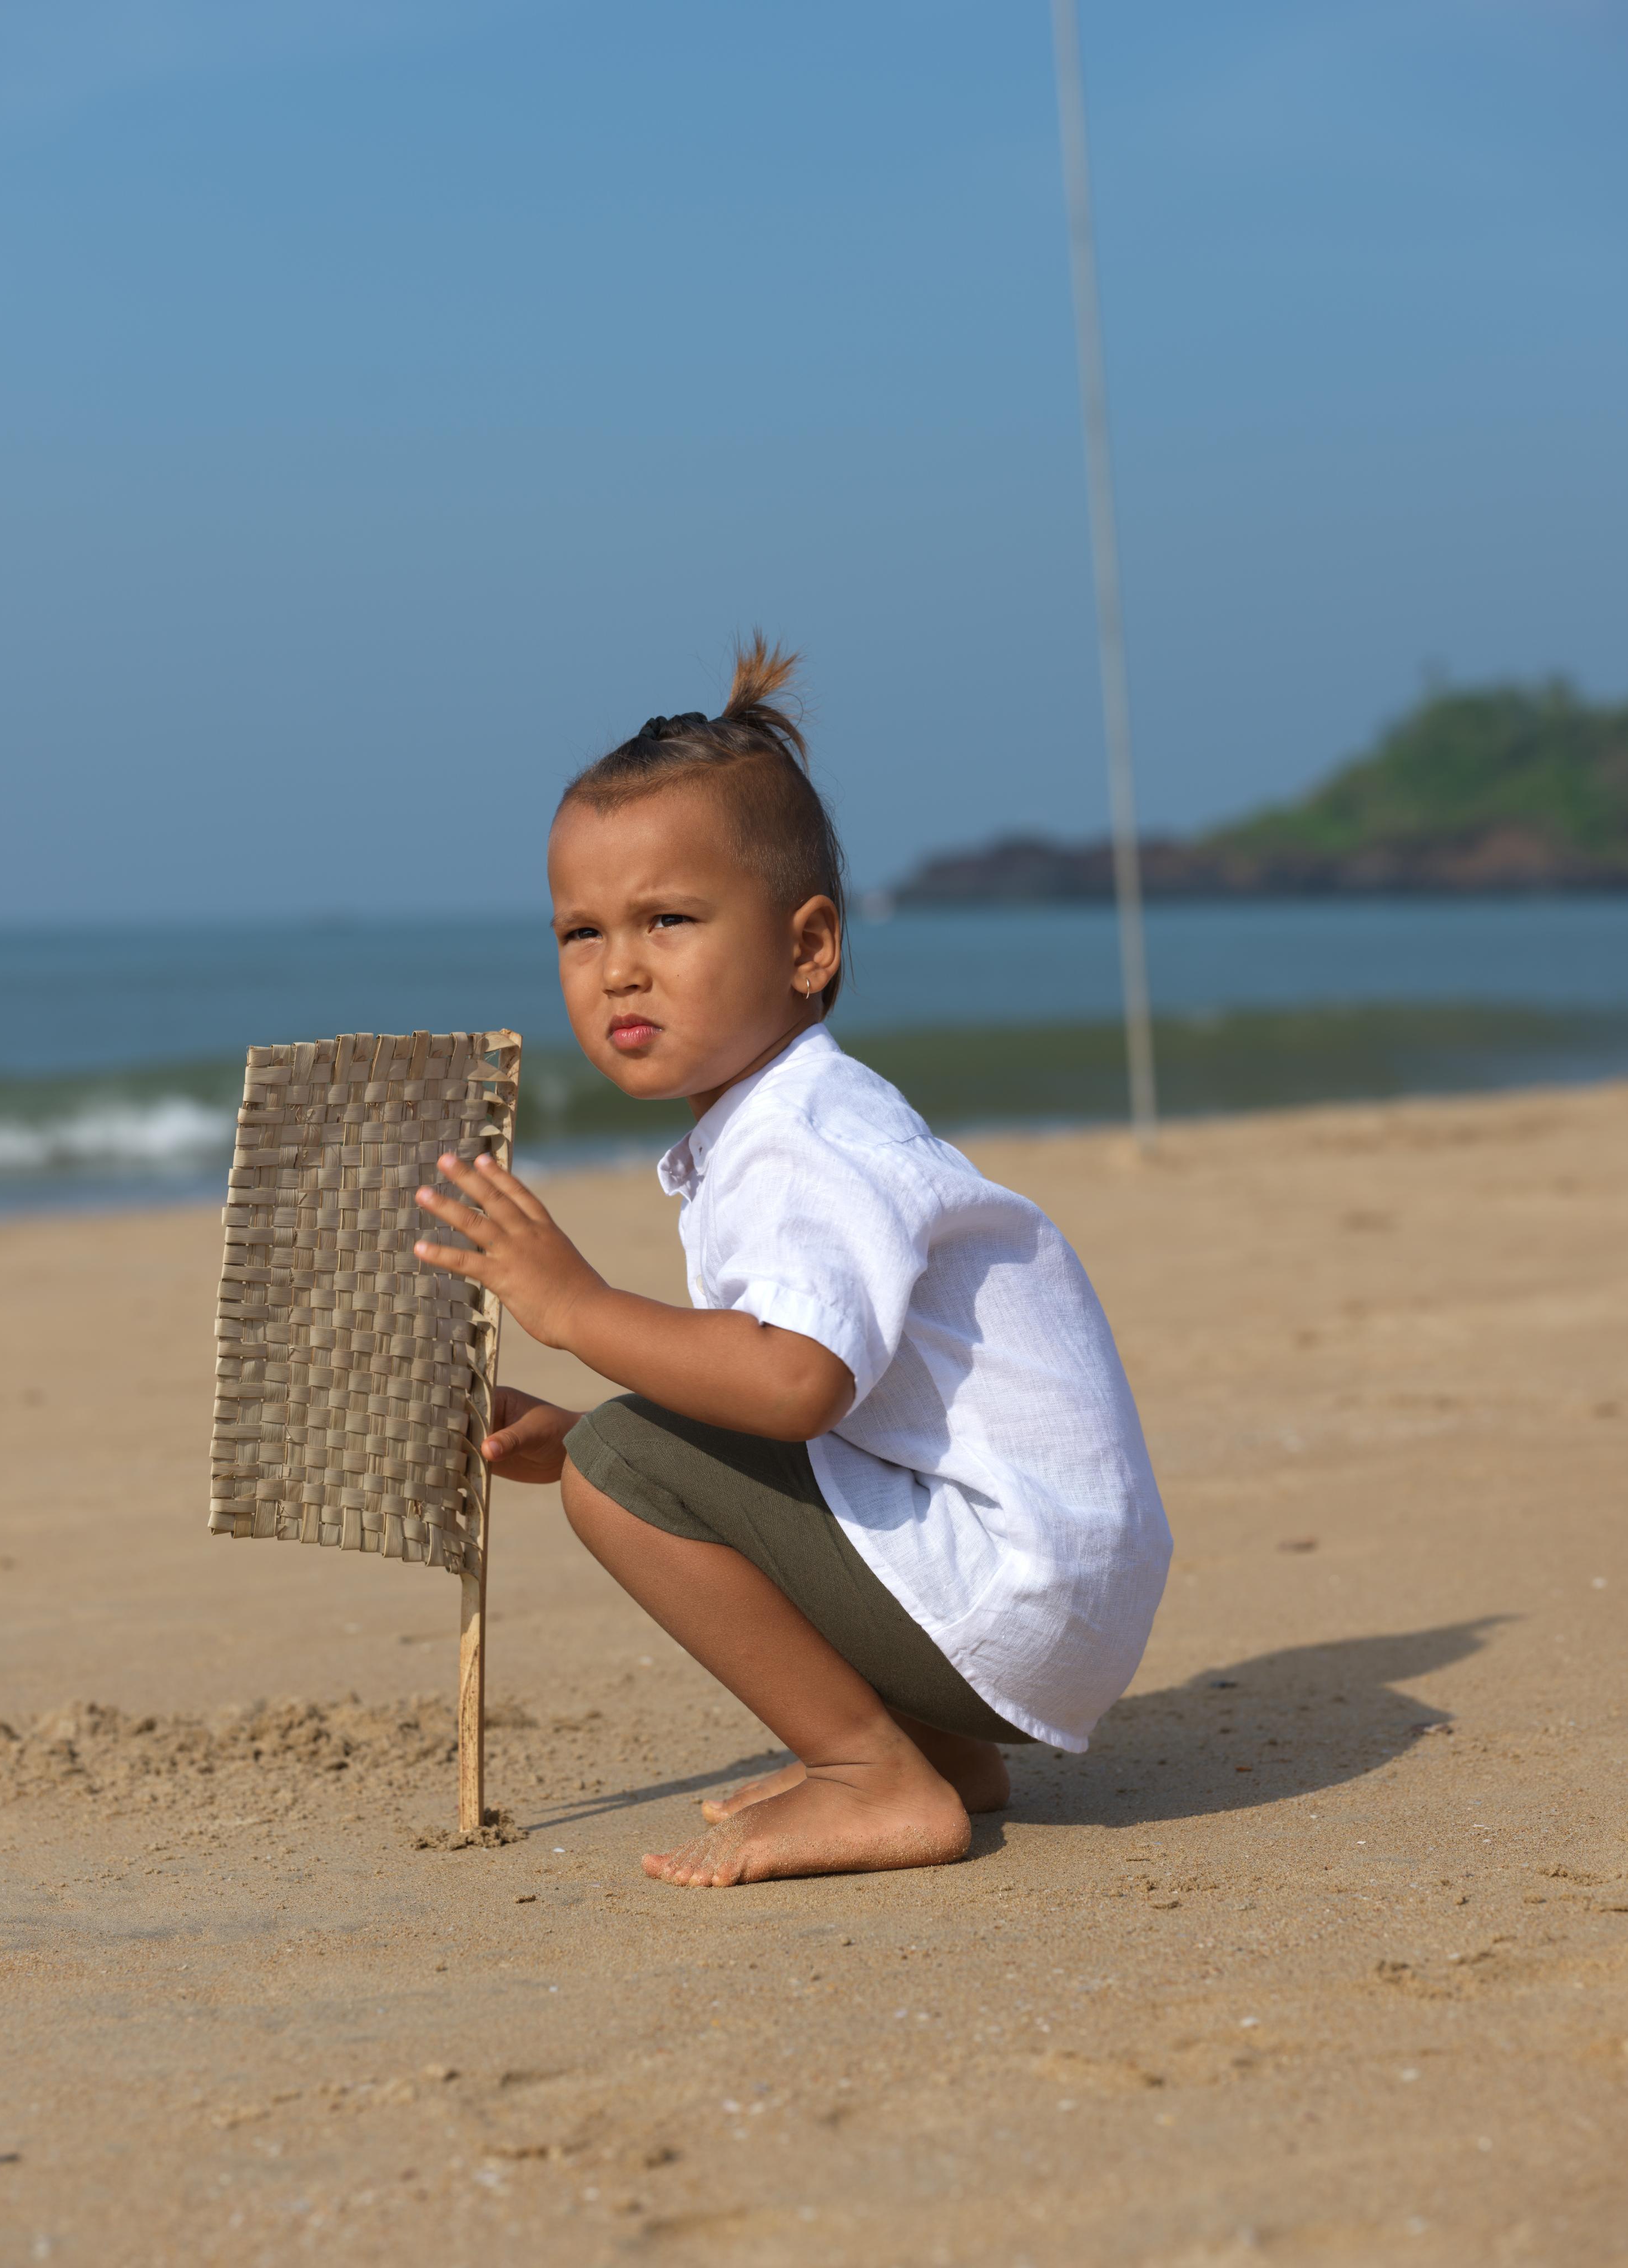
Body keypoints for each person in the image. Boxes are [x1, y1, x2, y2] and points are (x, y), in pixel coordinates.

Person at [414, 636, 1171, 1888]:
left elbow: (795, 1388)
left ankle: (871, 1777)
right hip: (1035, 1585)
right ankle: (941, 1752)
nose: (619, 970)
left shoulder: (806, 1140)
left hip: (1014, 1585)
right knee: (616, 1449)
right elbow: (805, 1396)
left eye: (670, 919)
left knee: (619, 1471)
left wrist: (575, 1307)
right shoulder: (787, 1121)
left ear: (808, 948)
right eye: (580, 933)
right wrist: (605, 1422)